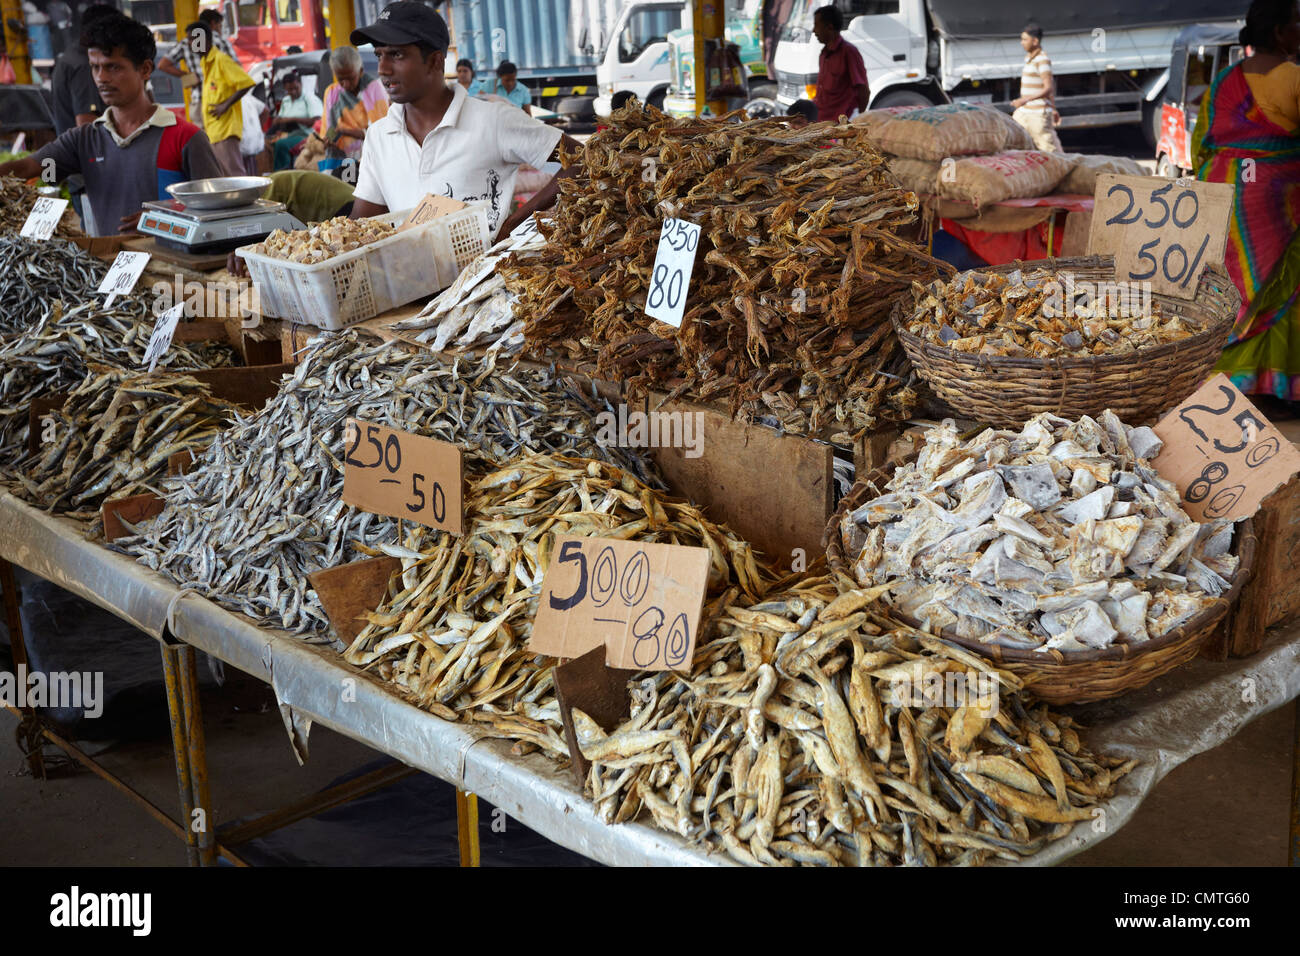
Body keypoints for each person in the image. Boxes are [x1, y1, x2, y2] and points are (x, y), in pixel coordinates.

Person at [347, 2, 578, 239]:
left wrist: (513, 224)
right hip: (411, 264)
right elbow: (364, 222)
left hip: (485, 264)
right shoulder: (379, 136)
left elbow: (582, 161)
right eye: (379, 55)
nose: (383, 69)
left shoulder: (493, 121)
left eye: (396, 54)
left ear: (435, 61)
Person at [0, 11, 222, 235]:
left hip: (172, 259)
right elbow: (28, 168)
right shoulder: (84, 140)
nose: (101, 78)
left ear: (145, 69)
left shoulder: (186, 138)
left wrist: (162, 219)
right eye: (95, 67)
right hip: (111, 258)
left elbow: (220, 213)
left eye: (113, 67)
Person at [1193, 0, 1300, 400]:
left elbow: (1200, 146)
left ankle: (1227, 382)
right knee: (1284, 284)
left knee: (1233, 286)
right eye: (1296, 21)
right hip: (1276, 198)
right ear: (1279, 31)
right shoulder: (1293, 77)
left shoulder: (1225, 80)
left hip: (1224, 191)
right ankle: (1277, 384)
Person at [184, 19, 254, 177]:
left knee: (234, 176)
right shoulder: (206, 62)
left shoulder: (221, 60)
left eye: (192, 39)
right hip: (215, 131)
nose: (189, 44)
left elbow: (246, 83)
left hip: (225, 130)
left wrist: (225, 105)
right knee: (225, 177)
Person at [157, 8, 238, 125]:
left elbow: (163, 65)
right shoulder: (221, 42)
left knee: (202, 135)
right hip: (221, 101)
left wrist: (189, 77)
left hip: (198, 100)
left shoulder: (185, 43)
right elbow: (237, 69)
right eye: (220, 26)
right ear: (213, 24)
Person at [321, 45, 388, 160]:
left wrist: (346, 131)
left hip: (371, 156)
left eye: (350, 78)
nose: (346, 84)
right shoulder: (331, 93)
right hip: (342, 157)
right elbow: (330, 127)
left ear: (360, 71)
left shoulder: (374, 89)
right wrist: (329, 139)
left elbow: (382, 132)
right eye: (340, 79)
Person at [1012, 22, 1062, 152]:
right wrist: (1053, 108)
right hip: (1024, 111)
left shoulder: (1042, 60)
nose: (1022, 43)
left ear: (1035, 41)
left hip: (1038, 114)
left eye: (1025, 40)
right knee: (1016, 141)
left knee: (1048, 150)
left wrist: (1024, 100)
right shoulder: (1029, 59)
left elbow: (1048, 88)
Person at [812, 6, 868, 123]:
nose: (814, 31)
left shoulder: (849, 52)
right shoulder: (824, 53)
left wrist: (857, 121)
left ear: (829, 27)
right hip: (822, 122)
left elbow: (863, 90)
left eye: (816, 25)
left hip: (840, 124)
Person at [270, 69, 322, 168]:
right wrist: (278, 123)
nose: (293, 92)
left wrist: (293, 119)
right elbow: (280, 118)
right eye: (290, 90)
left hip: (307, 135)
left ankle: (283, 172)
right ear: (285, 88)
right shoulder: (286, 100)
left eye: (296, 88)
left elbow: (317, 121)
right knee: (269, 144)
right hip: (290, 134)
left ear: (300, 84)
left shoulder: (310, 98)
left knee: (281, 145)